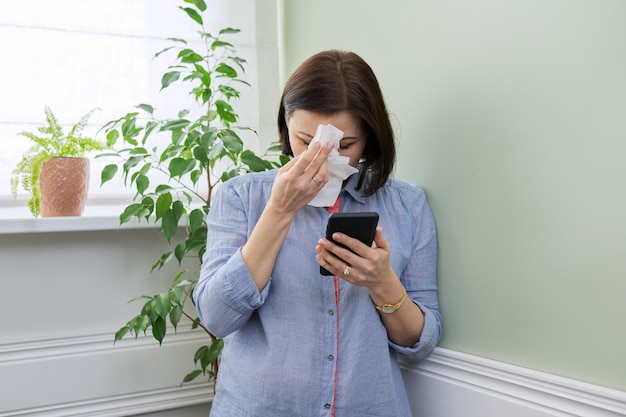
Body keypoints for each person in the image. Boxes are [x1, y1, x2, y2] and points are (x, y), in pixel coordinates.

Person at [194, 50, 442, 417]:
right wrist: (279, 211)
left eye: (345, 146)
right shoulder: (241, 197)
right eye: (307, 141)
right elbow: (216, 317)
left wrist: (382, 283)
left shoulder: (408, 205)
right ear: (286, 125)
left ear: (370, 139)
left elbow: (420, 342)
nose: (323, 158)